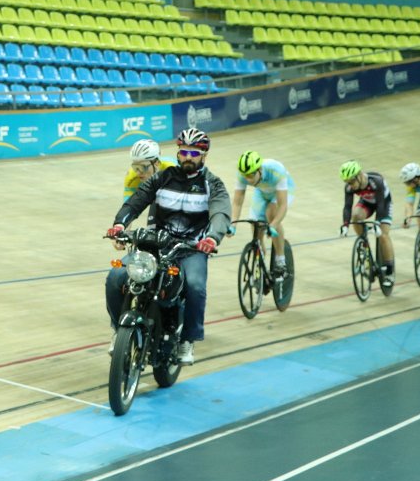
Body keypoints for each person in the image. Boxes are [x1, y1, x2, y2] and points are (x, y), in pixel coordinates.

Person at [105, 128, 231, 365]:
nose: (188, 157)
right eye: (184, 152)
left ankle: (187, 340)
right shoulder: (162, 177)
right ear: (178, 153)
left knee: (195, 286)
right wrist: (120, 224)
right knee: (116, 277)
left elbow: (221, 213)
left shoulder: (213, 184)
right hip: (156, 245)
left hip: (191, 249)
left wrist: (212, 238)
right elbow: (136, 201)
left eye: (194, 153)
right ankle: (117, 329)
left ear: (204, 156)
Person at [229, 150, 294, 278]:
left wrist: (273, 225)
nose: (248, 179)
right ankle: (261, 264)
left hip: (281, 191)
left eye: (251, 175)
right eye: (245, 176)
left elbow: (283, 205)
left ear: (259, 169)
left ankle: (280, 260)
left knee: (271, 212)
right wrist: (233, 224)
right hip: (262, 191)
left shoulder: (276, 171)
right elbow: (237, 201)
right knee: (256, 225)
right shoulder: (243, 174)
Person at [339, 160, 396, 284]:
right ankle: (364, 241)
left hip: (384, 204)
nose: (350, 185)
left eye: (352, 181)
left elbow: (380, 204)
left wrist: (377, 224)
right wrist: (345, 225)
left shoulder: (376, 181)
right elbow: (347, 207)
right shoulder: (349, 187)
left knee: (383, 235)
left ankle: (390, 272)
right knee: (356, 216)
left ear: (359, 175)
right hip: (367, 203)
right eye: (347, 182)